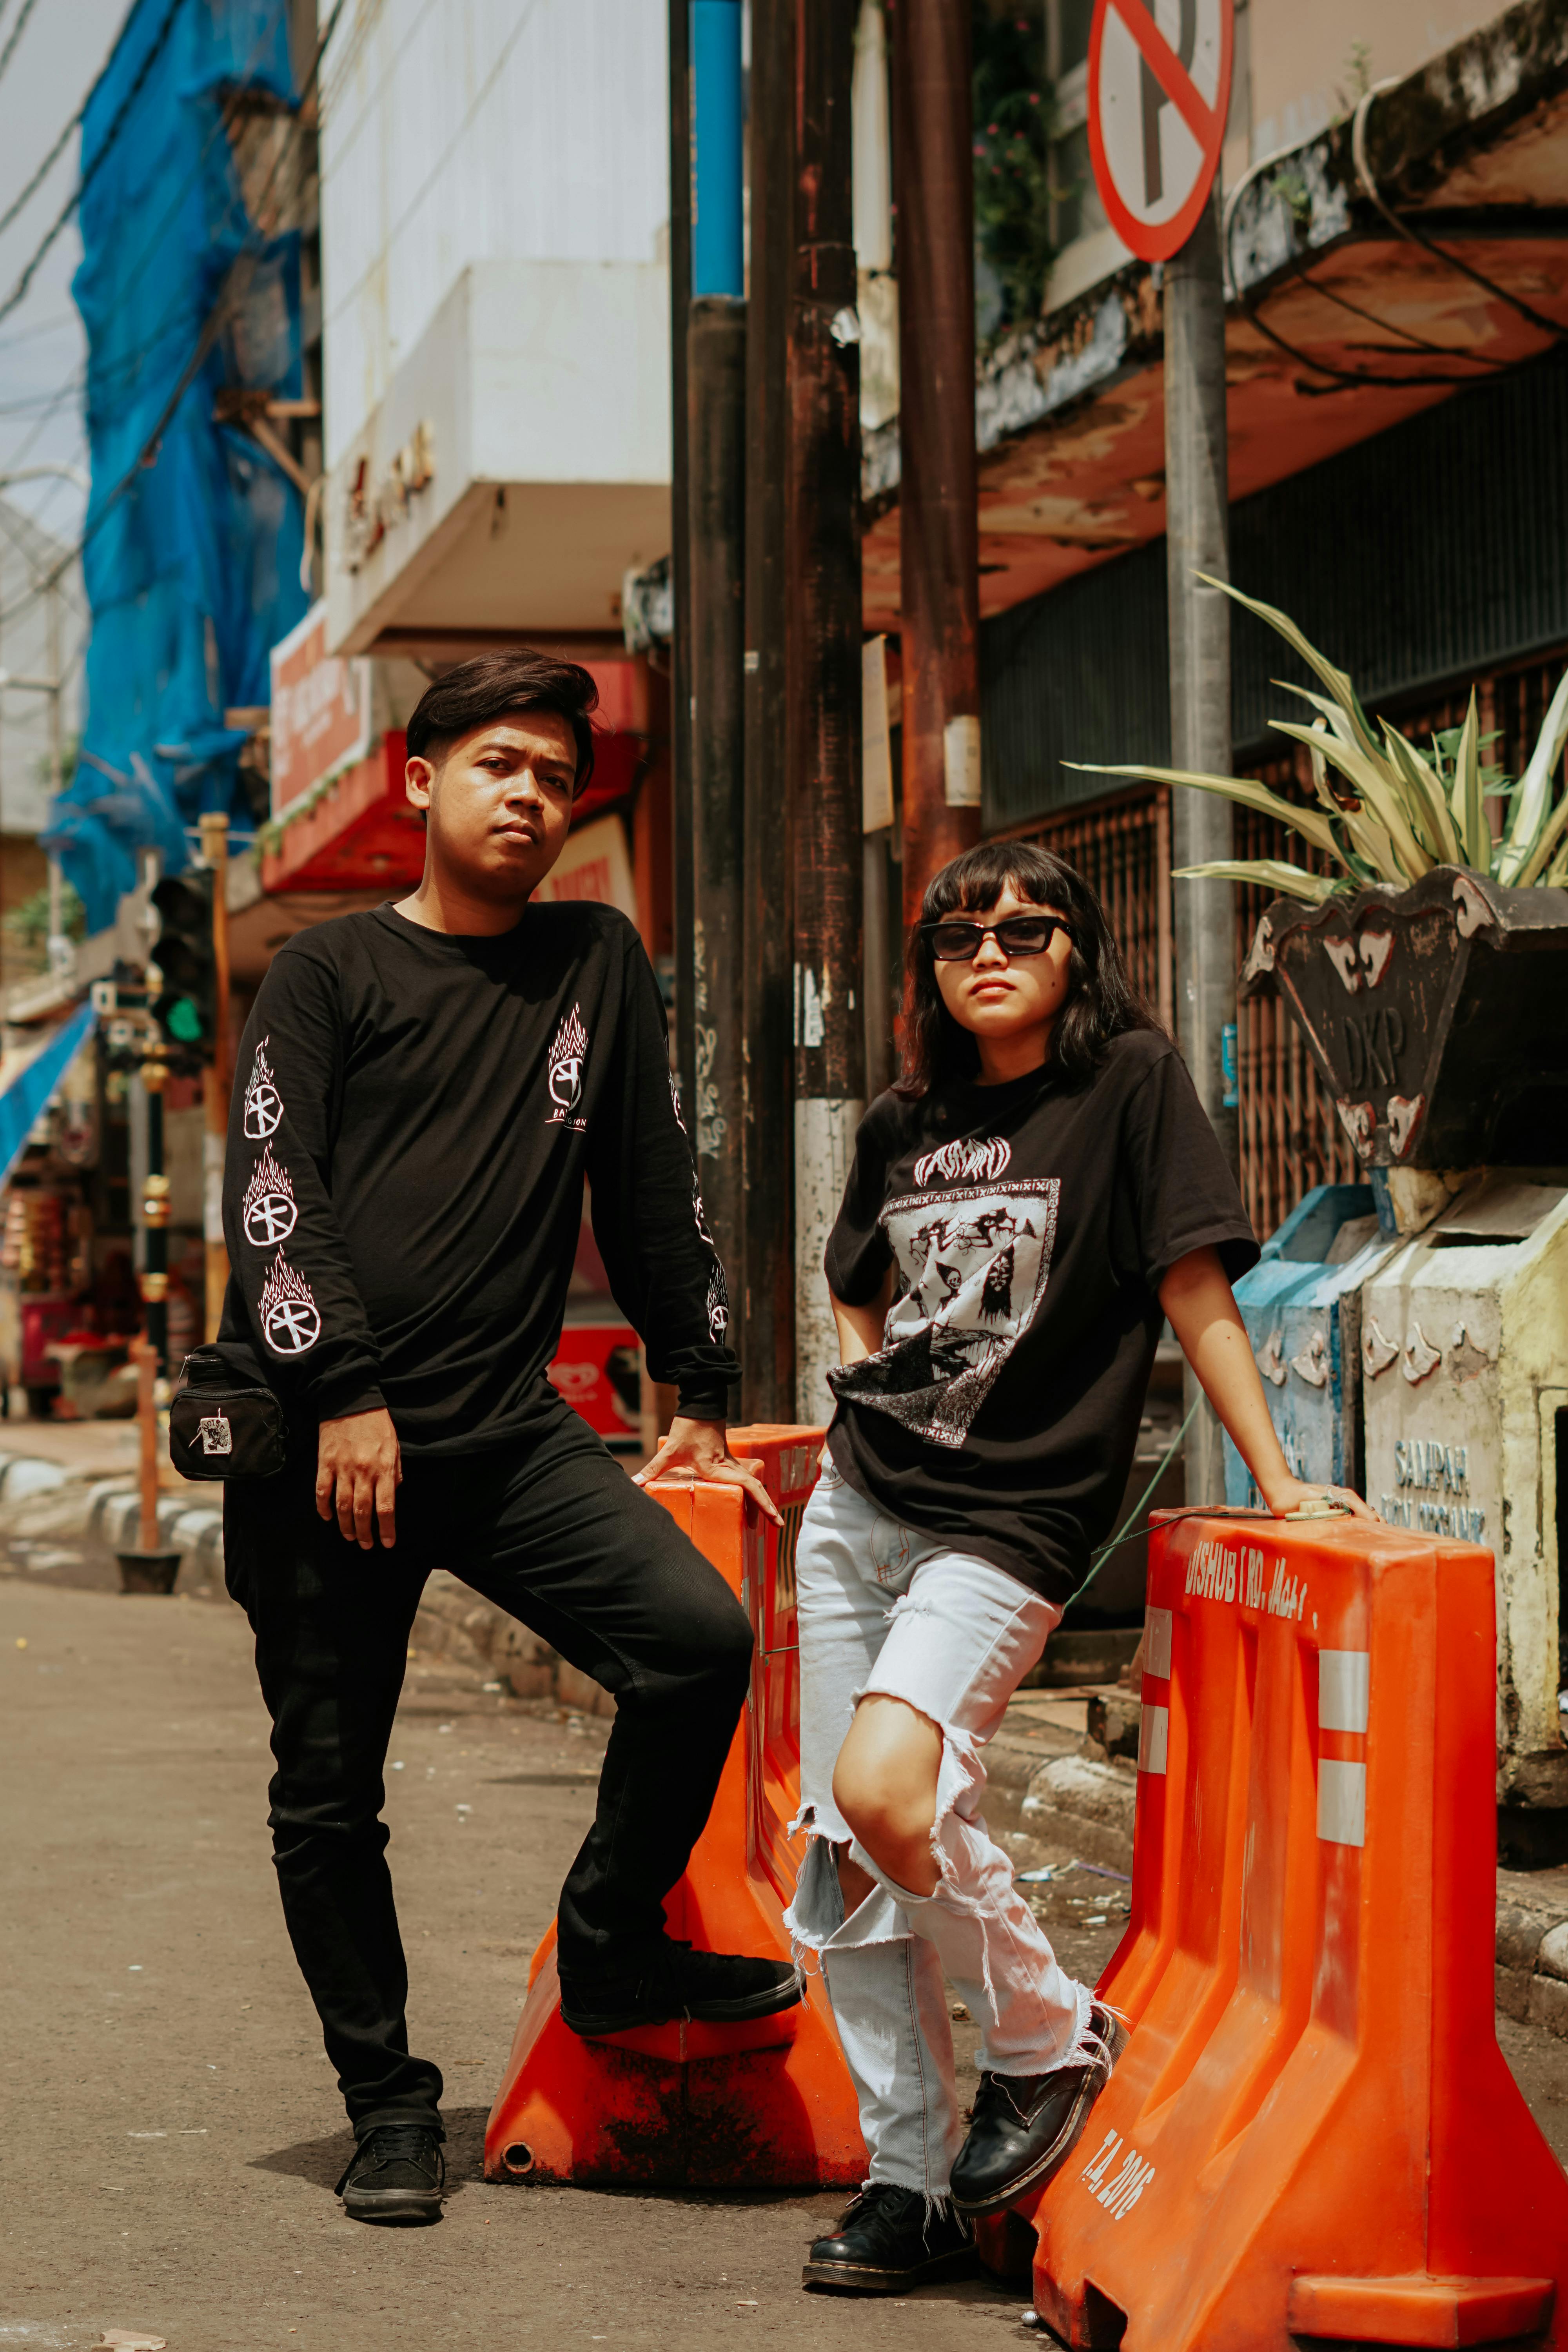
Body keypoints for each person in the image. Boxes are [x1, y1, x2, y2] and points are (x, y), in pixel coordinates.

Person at [219, 651, 799, 2227]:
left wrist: (699, 1380)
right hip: (324, 1450)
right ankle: (388, 2106)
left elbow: (645, 1177)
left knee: (694, 1644)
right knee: (329, 1794)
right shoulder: (326, 973)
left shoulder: (595, 960)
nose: (530, 795)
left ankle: (611, 1948)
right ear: (420, 783)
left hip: (501, 1433)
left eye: (555, 774)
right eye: (499, 766)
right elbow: (273, 1198)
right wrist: (343, 1386)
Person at [789, 841, 1379, 2294]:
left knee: (887, 1792)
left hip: (1010, 1524)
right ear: (927, 966)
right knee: (849, 1860)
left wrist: (1281, 1480)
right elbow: (855, 1287)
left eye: (1025, 928)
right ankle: (909, 2183)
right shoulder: (902, 1119)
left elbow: (1195, 1286)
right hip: (858, 1512)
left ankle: (1048, 2037)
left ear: (1076, 948)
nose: (990, 952)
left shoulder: (1128, 1087)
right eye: (957, 936)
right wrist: (865, 1394)